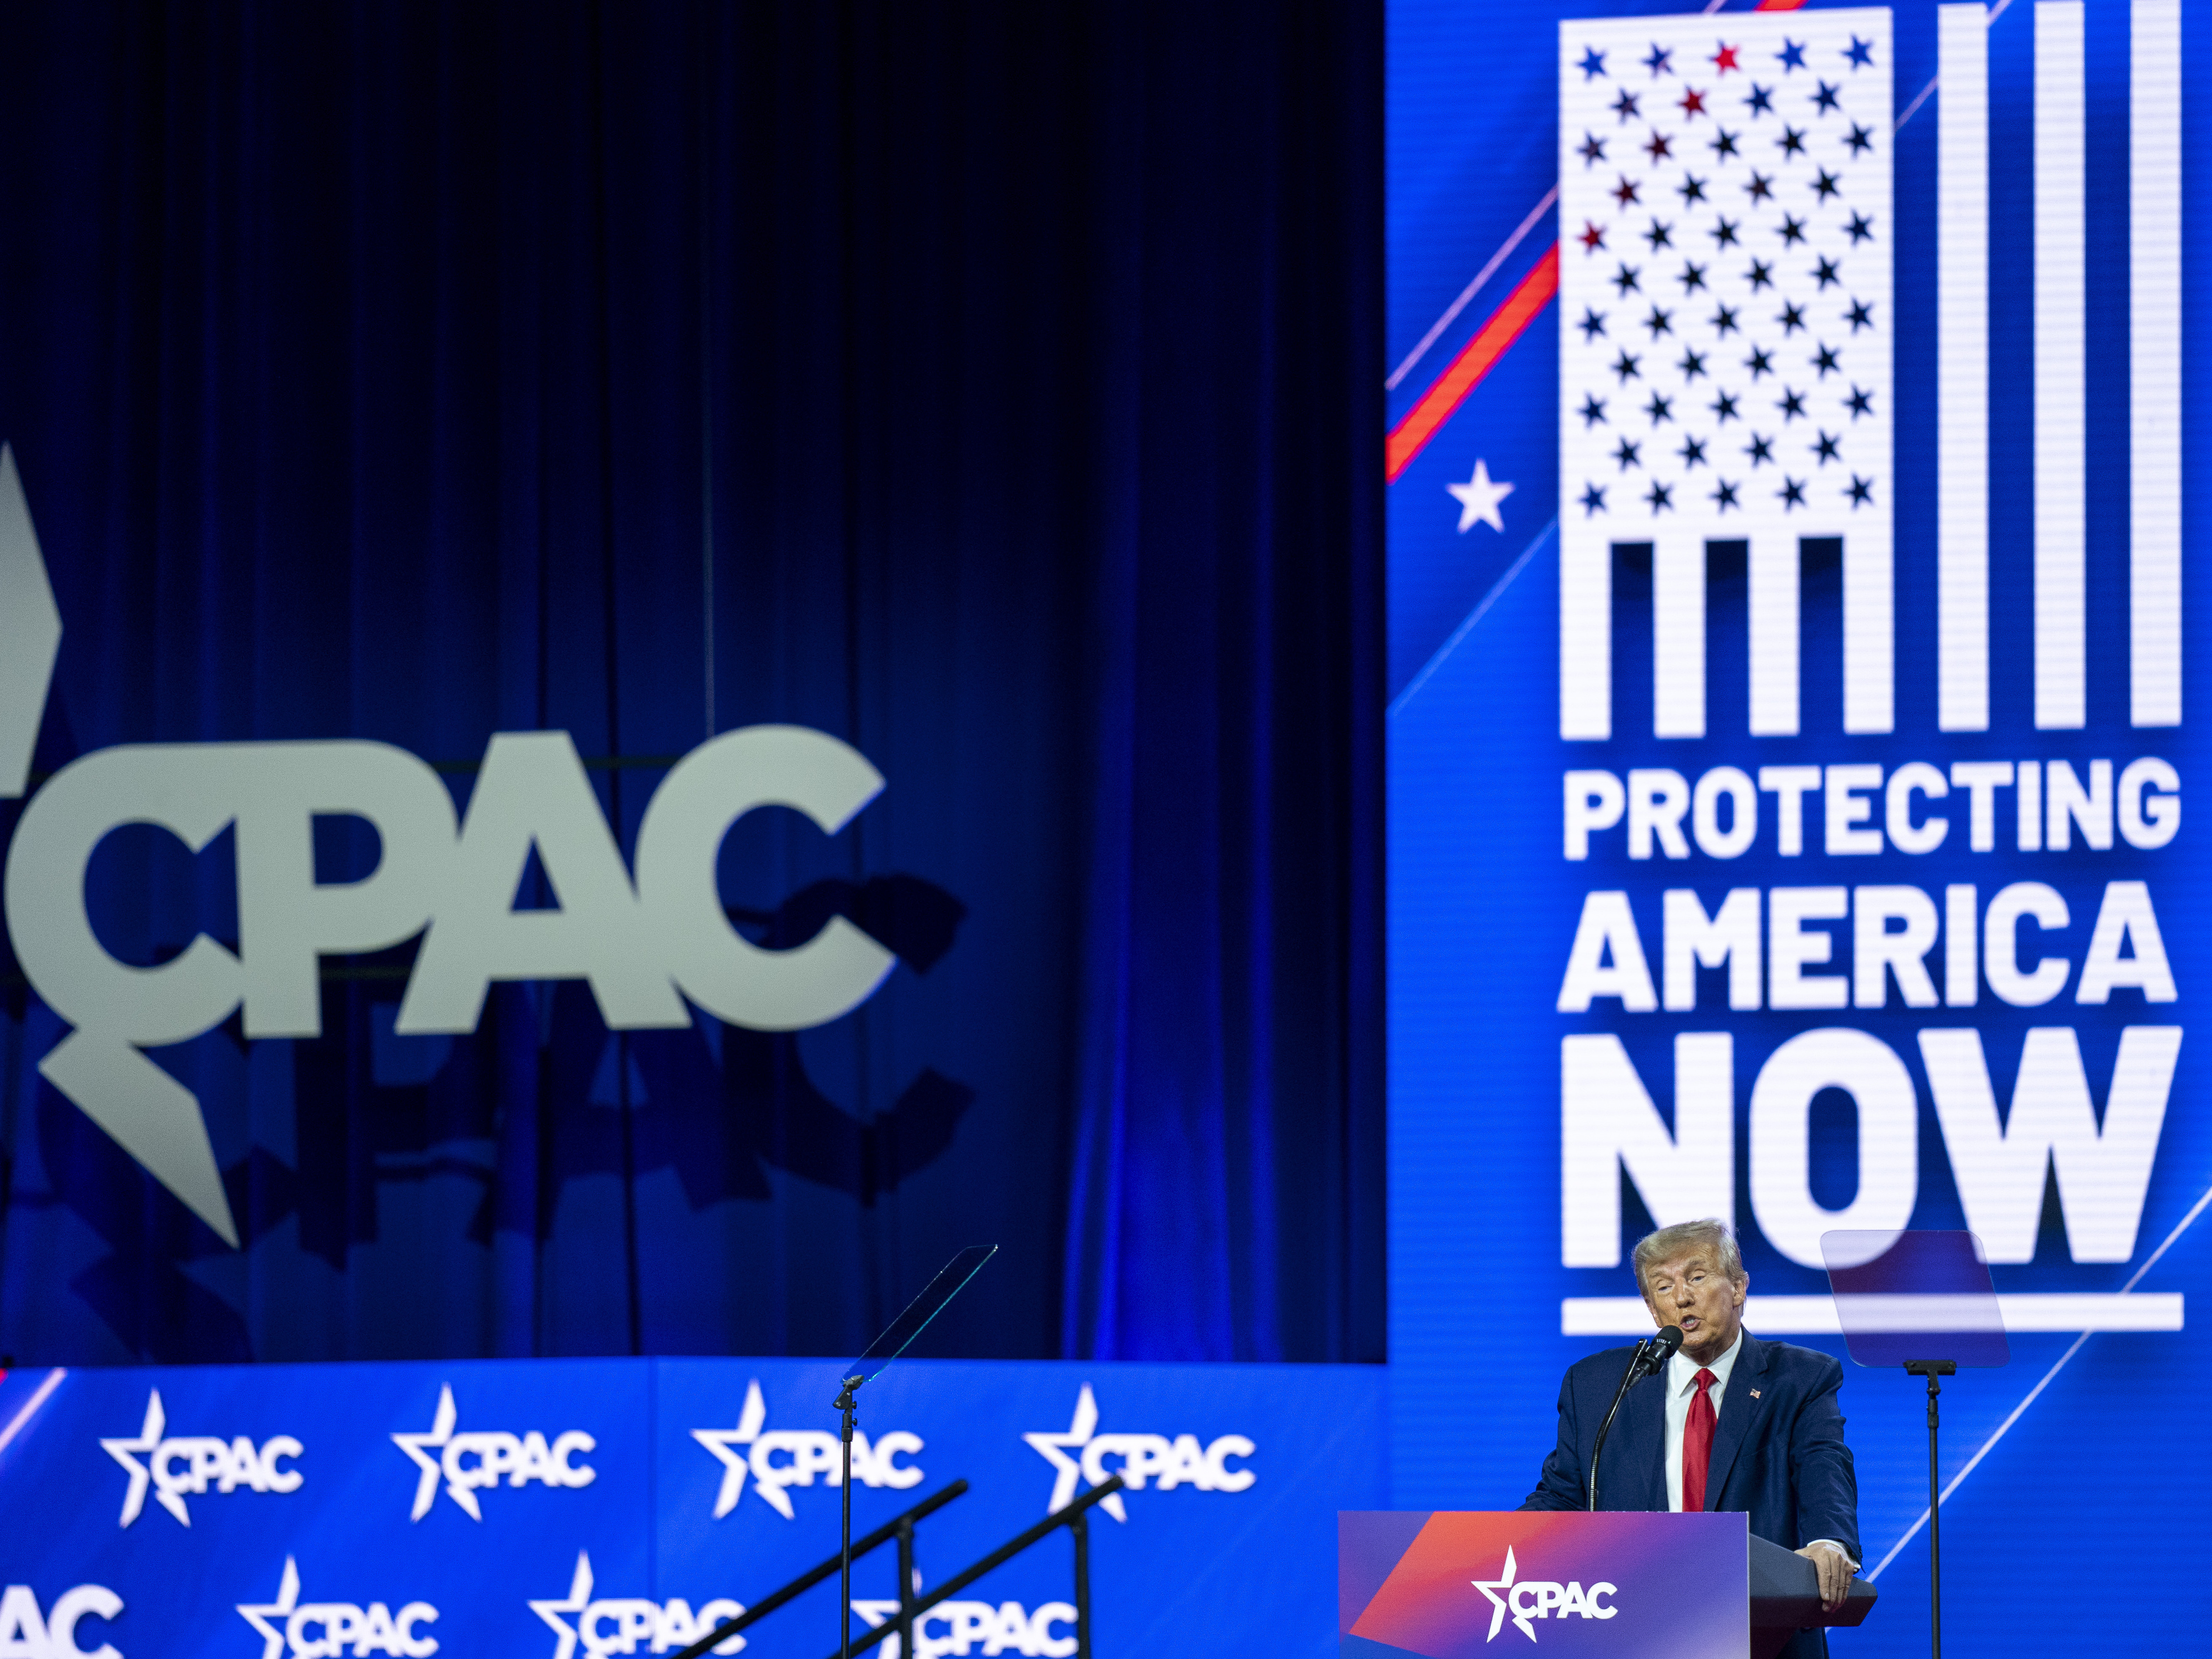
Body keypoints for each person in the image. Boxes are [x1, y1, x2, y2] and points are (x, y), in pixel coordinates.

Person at [1521, 1218, 1859, 1659]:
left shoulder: (1799, 1379)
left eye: (1697, 1277)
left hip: (1763, 1636)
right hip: (1637, 1632)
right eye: (1663, 1287)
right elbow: (1564, 1494)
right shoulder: (1598, 1386)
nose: (1681, 1296)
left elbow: (1824, 1468)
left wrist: (1829, 1541)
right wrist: (1508, 1551)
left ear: (1738, 1287)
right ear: (1651, 1307)